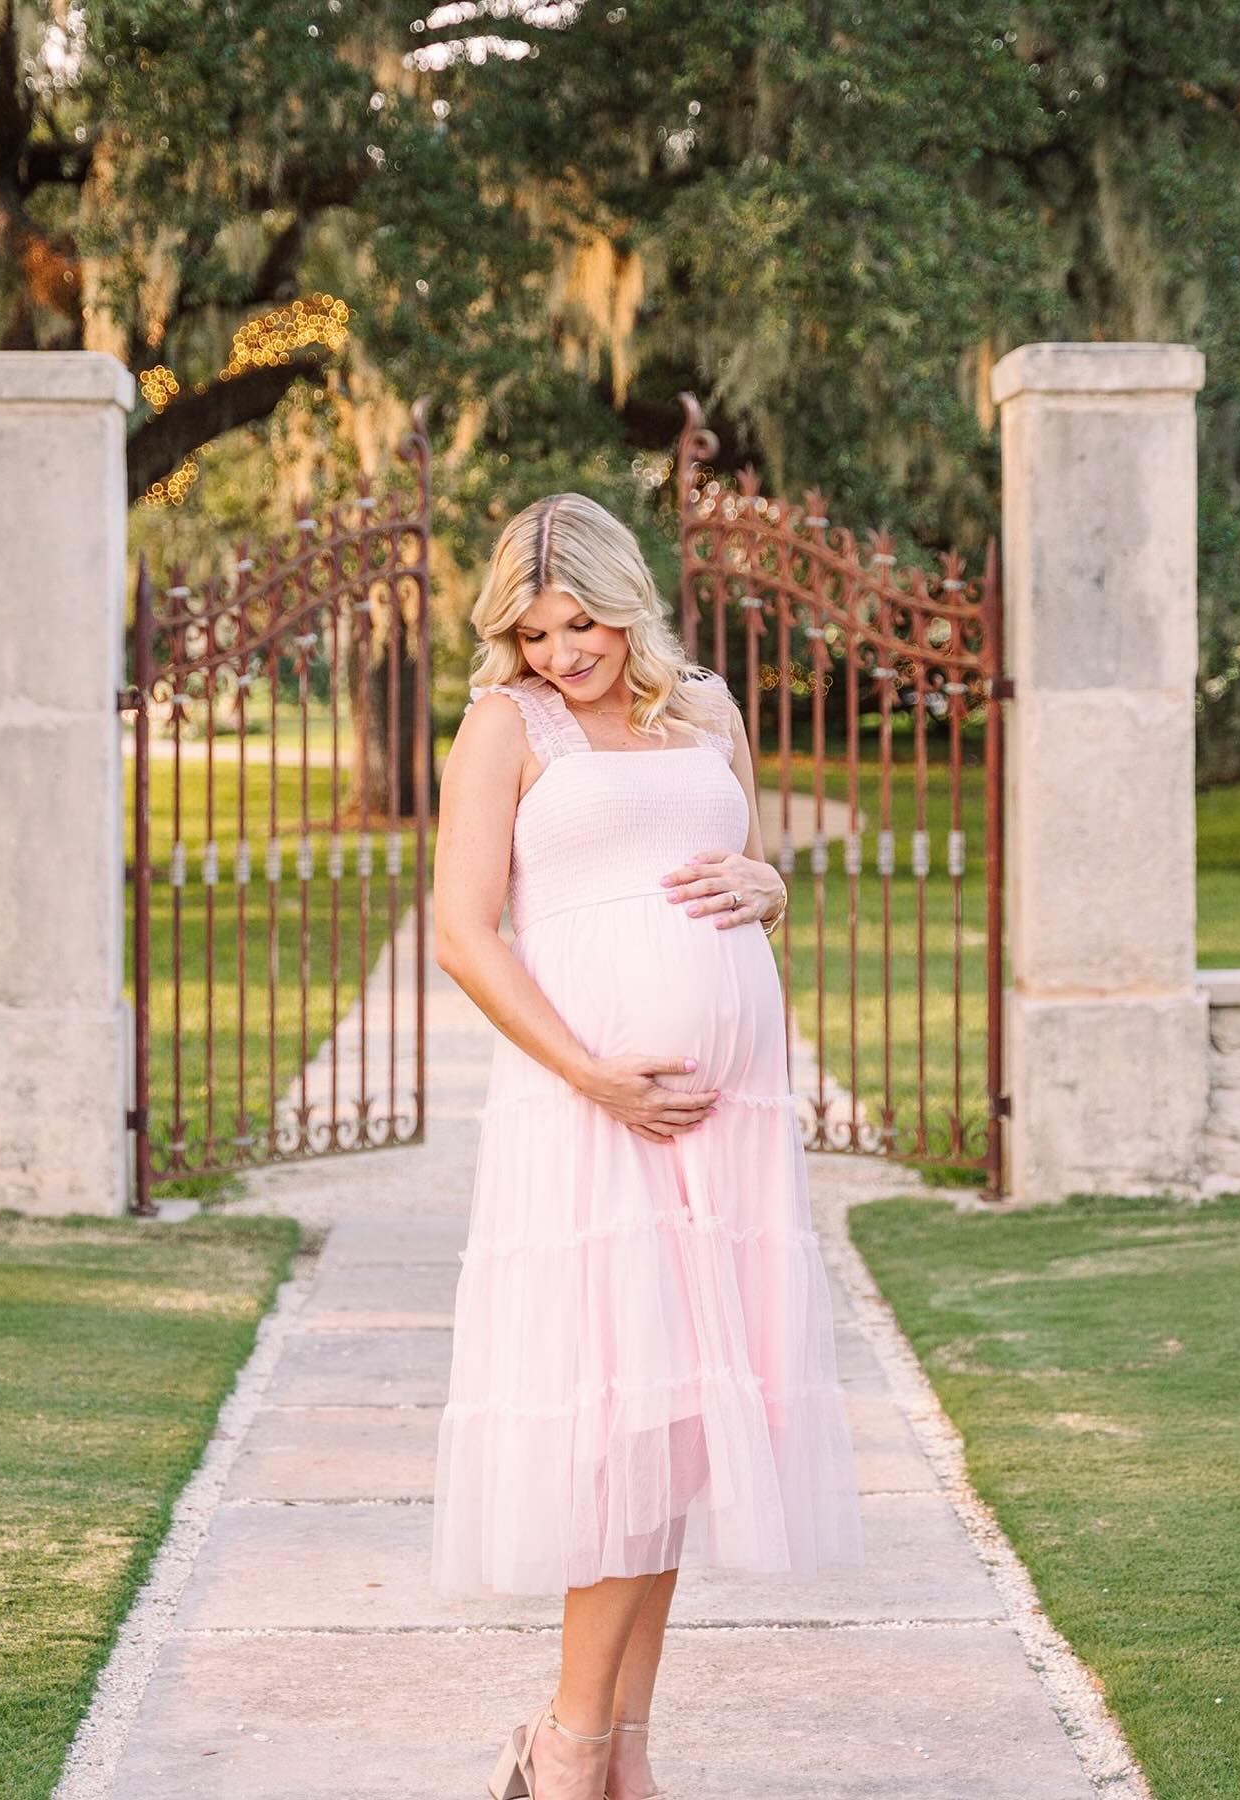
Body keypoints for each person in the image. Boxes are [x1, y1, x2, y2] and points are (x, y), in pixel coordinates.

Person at [430, 492, 863, 1800]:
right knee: (618, 1426)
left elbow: (734, 863)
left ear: (631, 605)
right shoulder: (507, 727)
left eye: (585, 621)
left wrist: (773, 888)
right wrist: (589, 1075)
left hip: (726, 1133)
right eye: (539, 627)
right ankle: (561, 1749)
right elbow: (463, 931)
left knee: (677, 1427)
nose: (566, 650)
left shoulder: (707, 710)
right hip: (590, 1119)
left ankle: (623, 1754)